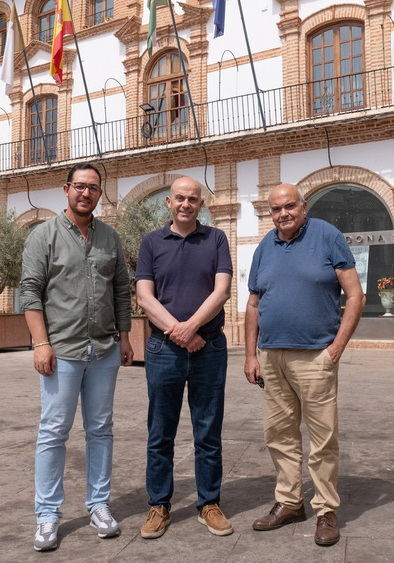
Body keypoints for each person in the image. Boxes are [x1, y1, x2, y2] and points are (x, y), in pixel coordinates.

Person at [18, 162, 134, 552]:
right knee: (53, 432)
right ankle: (48, 515)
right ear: (65, 189)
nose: (87, 193)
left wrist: (124, 338)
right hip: (62, 352)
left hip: (103, 350)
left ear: (100, 193)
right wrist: (40, 343)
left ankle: (99, 505)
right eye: (80, 186)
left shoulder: (110, 238)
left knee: (101, 429)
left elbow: (121, 290)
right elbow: (30, 291)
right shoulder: (43, 236)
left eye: (93, 188)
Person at [243, 183, 364, 547]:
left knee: (323, 438)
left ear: (303, 206)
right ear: (270, 213)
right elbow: (253, 304)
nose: (284, 213)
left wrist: (336, 347)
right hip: (271, 356)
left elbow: (355, 294)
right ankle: (290, 502)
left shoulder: (327, 236)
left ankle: (326, 510)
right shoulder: (265, 247)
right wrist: (250, 355)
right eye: (276, 209)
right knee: (278, 435)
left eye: (290, 206)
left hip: (315, 356)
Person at [135, 177, 233, 539]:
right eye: (180, 198)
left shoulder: (216, 239)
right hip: (163, 350)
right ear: (168, 201)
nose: (186, 204)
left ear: (201, 204)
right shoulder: (151, 242)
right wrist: (180, 332)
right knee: (160, 432)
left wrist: (190, 328)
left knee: (208, 431)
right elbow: (144, 297)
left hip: (209, 348)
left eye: (193, 199)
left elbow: (222, 291)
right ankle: (158, 505)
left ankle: (209, 504)